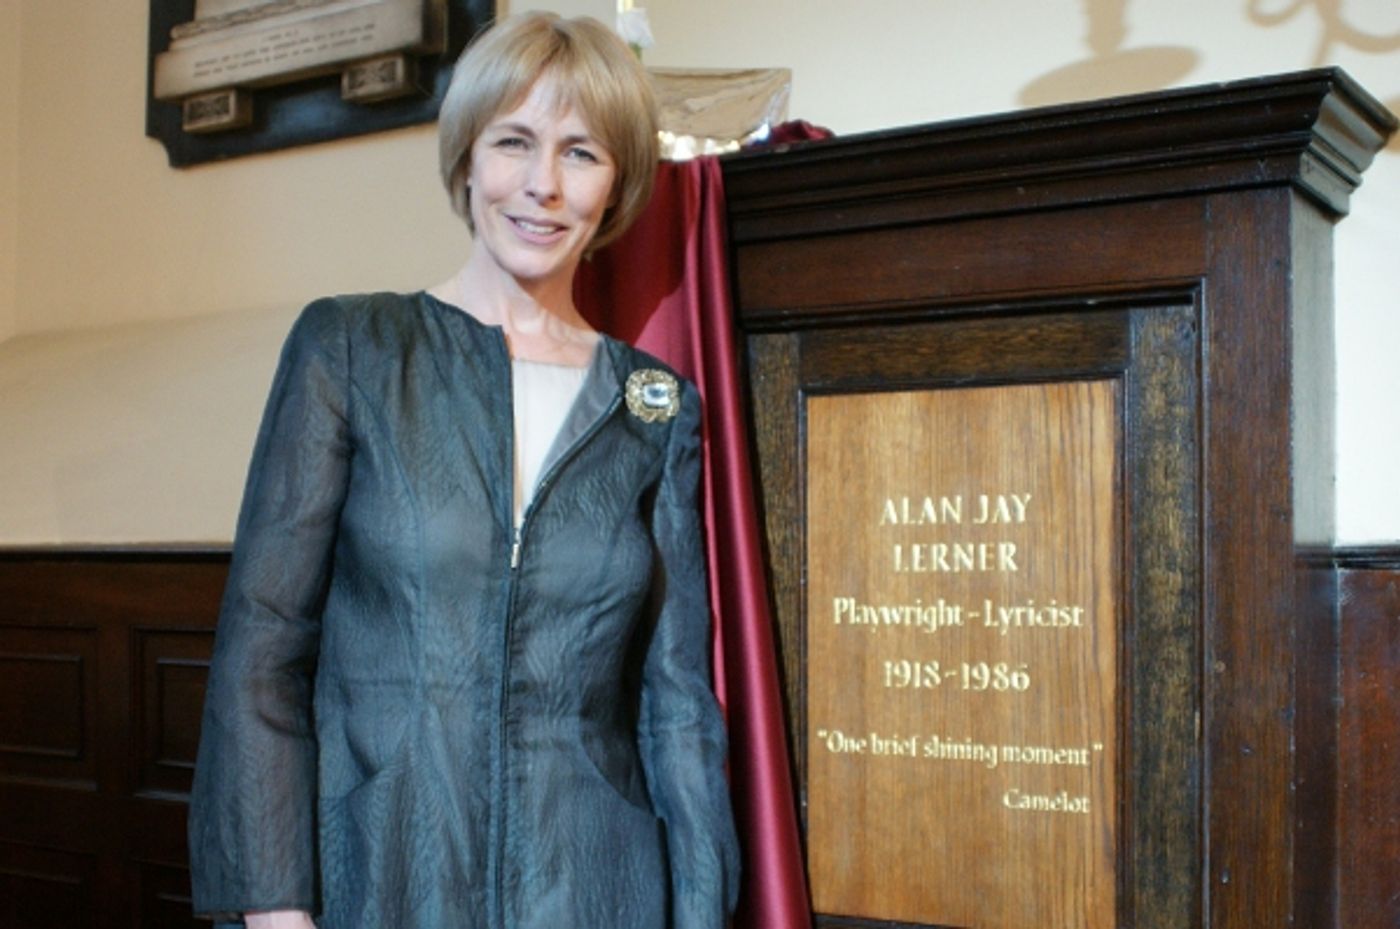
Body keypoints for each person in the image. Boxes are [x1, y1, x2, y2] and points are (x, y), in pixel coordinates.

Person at [188, 13, 741, 929]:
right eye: (514, 142)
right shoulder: (354, 349)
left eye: (582, 153)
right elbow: (262, 652)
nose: (542, 186)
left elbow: (677, 706)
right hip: (384, 873)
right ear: (468, 159)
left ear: (617, 185)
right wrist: (274, 909)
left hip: (595, 890)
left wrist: (701, 913)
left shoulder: (653, 402)